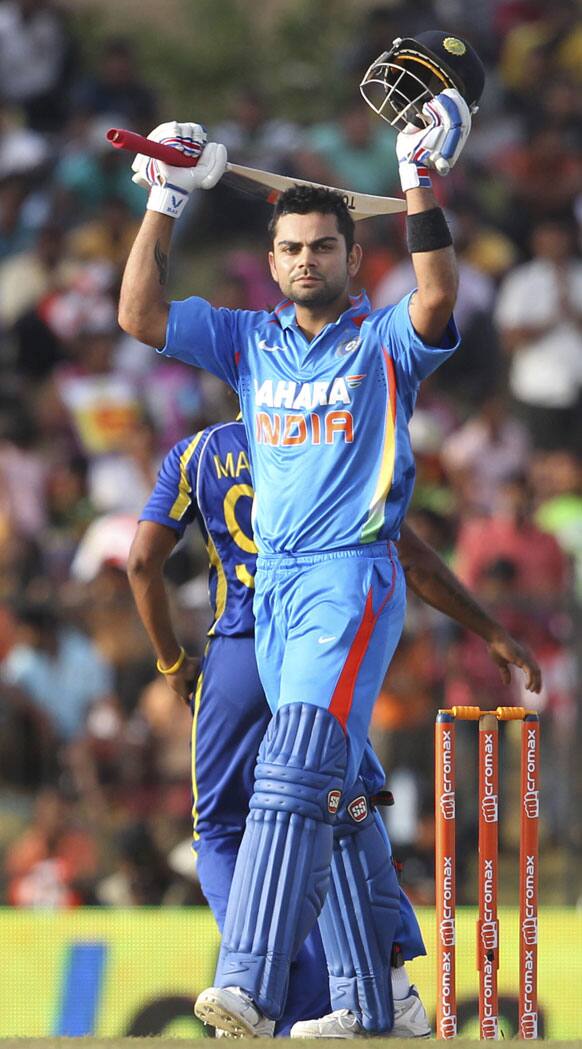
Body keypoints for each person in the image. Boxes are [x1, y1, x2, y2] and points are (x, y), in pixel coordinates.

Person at [118, 31, 485, 1037]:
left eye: (323, 246)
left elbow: (442, 298)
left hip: (349, 578)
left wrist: (419, 181)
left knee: (289, 770)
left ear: (351, 255)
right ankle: (382, 1003)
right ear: (271, 261)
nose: (305, 260)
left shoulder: (383, 343)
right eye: (289, 248)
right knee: (338, 799)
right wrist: (164, 194)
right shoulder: (250, 341)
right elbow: (140, 312)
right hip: (270, 593)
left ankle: (249, 983)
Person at [127, 419, 541, 1036]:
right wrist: (490, 630)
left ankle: (268, 986)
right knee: (341, 806)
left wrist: (169, 661)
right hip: (319, 647)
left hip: (243, 649)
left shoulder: (201, 451)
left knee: (221, 828)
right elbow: (407, 551)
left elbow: (141, 562)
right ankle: (381, 987)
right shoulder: (330, 444)